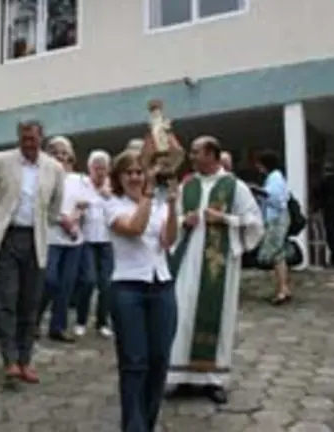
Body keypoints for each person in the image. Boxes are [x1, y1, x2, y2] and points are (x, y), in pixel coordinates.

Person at [165, 136, 264, 404]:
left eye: (196, 152)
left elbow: (255, 223)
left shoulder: (235, 187)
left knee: (218, 316)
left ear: (211, 154)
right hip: (187, 261)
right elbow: (170, 217)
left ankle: (213, 379)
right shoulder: (188, 185)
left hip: (219, 265)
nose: (191, 157)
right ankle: (181, 376)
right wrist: (184, 220)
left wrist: (224, 218)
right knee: (183, 313)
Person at [0, 120, 64, 388]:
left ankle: (26, 358)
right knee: (6, 299)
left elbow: (55, 207)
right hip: (7, 237)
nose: (28, 144)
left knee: (30, 302)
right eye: (24, 139)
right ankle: (10, 358)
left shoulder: (54, 168)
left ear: (41, 139)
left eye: (33, 139)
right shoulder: (1, 161)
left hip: (35, 238)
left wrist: (43, 223)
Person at [104, 149, 178, 432]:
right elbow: (134, 228)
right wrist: (148, 194)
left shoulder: (158, 204)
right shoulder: (112, 205)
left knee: (159, 360)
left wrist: (173, 205)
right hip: (128, 288)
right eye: (129, 173)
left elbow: (168, 240)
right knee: (135, 363)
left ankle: (147, 423)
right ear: (119, 178)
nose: (135, 177)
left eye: (139, 172)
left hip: (161, 285)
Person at [37, 136, 86, 343]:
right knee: (49, 281)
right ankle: (33, 320)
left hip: (73, 240)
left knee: (66, 285)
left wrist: (74, 219)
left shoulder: (80, 179)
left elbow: (84, 203)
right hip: (50, 237)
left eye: (64, 153)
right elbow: (42, 206)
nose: (61, 157)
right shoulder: (43, 178)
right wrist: (63, 221)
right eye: (56, 153)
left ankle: (58, 326)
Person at [73, 150, 113, 338]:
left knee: (107, 284)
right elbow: (73, 205)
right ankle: (81, 320)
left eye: (103, 168)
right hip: (87, 239)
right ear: (90, 169)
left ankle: (102, 322)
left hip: (107, 241)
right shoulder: (82, 185)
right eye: (96, 168)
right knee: (88, 281)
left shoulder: (112, 188)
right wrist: (80, 207)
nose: (100, 172)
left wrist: (110, 198)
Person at [255, 150, 292, 305]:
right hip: (277, 218)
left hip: (276, 219)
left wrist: (257, 190)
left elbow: (275, 198)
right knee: (279, 255)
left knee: (274, 254)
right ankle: (283, 287)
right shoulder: (276, 177)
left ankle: (282, 288)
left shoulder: (275, 177)